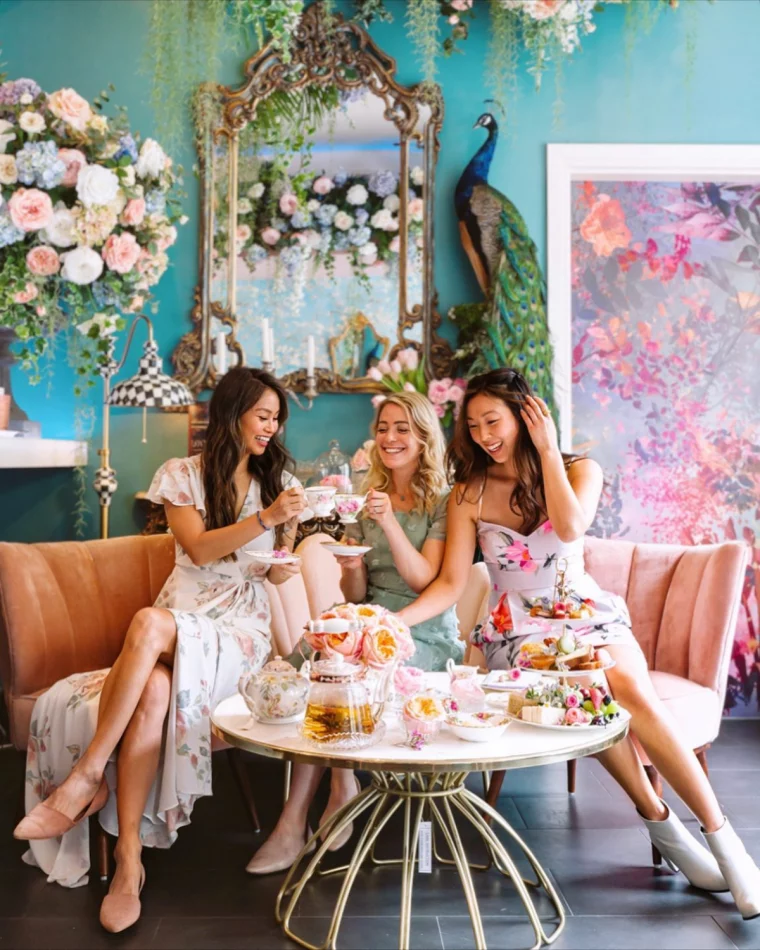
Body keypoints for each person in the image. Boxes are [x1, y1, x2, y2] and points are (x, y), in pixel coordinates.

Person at [396, 367, 760, 920]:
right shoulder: (467, 493)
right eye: (472, 425)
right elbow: (448, 582)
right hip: (517, 630)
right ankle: (661, 824)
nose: (482, 435)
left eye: (492, 420)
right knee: (588, 695)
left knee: (630, 692)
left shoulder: (578, 469)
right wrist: (397, 622)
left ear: (526, 414)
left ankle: (725, 841)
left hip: (581, 611)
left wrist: (545, 451)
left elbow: (568, 528)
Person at [13, 367, 308, 932]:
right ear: (232, 413)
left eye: (277, 418)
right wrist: (265, 520)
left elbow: (271, 576)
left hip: (241, 631)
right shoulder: (181, 475)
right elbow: (196, 551)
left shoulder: (280, 482)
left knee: (149, 623)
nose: (272, 427)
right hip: (188, 614)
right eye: (263, 415)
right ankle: (129, 861)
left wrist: (284, 552)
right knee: (150, 688)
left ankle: (86, 776)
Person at [246, 390, 460, 875]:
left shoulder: (446, 500)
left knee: (341, 673)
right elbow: (359, 589)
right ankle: (334, 791)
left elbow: (424, 579)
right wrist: (348, 564)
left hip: (421, 629)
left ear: (424, 435)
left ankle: (296, 818)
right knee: (317, 661)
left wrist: (389, 523)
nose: (389, 437)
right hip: (368, 617)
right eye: (383, 428)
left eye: (402, 428)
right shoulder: (367, 497)